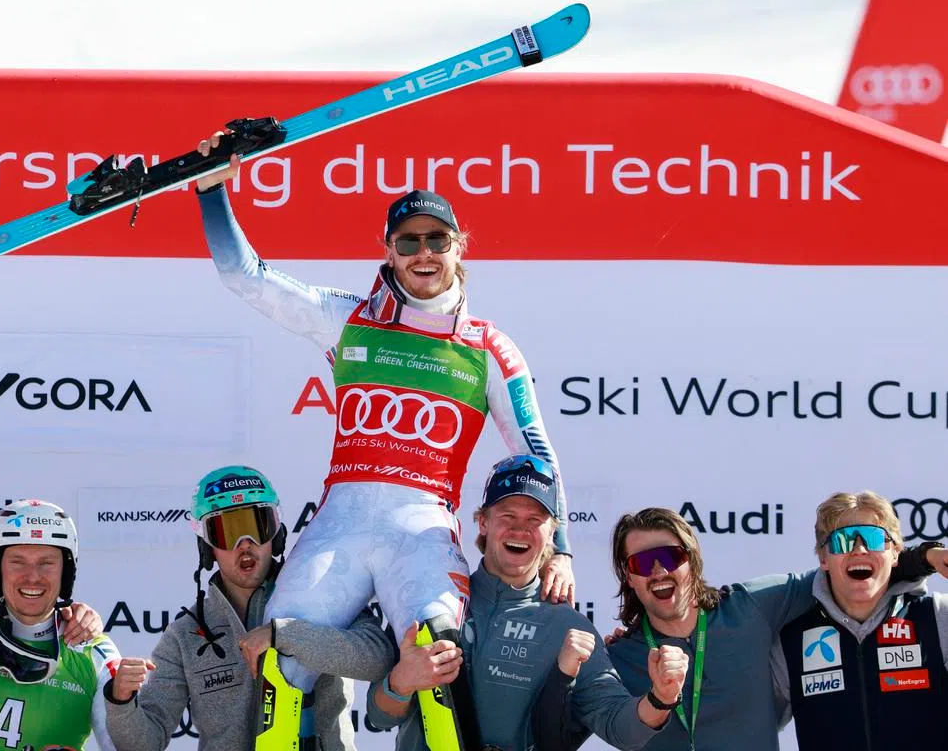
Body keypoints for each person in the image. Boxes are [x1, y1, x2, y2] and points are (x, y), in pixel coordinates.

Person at [193, 134, 573, 748]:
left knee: (438, 649)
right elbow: (246, 276)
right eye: (408, 242)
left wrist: (565, 551)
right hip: (340, 522)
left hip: (420, 526)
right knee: (278, 652)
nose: (423, 254)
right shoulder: (349, 318)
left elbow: (538, 456)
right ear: (389, 253)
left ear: (458, 247)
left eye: (436, 240)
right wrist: (212, 189)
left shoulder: (491, 349)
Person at [367, 455, 684, 751]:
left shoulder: (568, 626)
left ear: (551, 535)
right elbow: (380, 716)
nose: (520, 528)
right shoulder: (432, 600)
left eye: (535, 519)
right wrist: (401, 682)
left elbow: (621, 728)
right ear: (483, 522)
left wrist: (661, 697)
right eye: (508, 515)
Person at [604, 506, 948, 751]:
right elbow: (617, 732)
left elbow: (846, 572)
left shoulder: (751, 606)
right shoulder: (616, 658)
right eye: (642, 563)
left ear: (692, 560)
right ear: (628, 576)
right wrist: (657, 699)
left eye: (670, 556)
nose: (659, 570)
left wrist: (925, 557)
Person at [104, 465, 396, 751]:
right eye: (228, 531)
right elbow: (144, 742)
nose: (245, 544)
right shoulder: (185, 635)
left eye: (257, 526)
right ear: (207, 548)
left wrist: (285, 635)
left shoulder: (323, 594)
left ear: (276, 534)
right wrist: (121, 701)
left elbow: (378, 659)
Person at [772, 490, 948, 748]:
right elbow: (746, 727)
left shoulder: (937, 617)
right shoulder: (789, 640)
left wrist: (928, 555)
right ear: (824, 558)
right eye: (842, 541)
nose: (859, 550)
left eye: (873, 538)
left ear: (896, 553)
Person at [0, 498, 120, 750]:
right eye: (17, 562)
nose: (33, 576)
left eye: (47, 563)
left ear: (66, 572)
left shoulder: (94, 654)